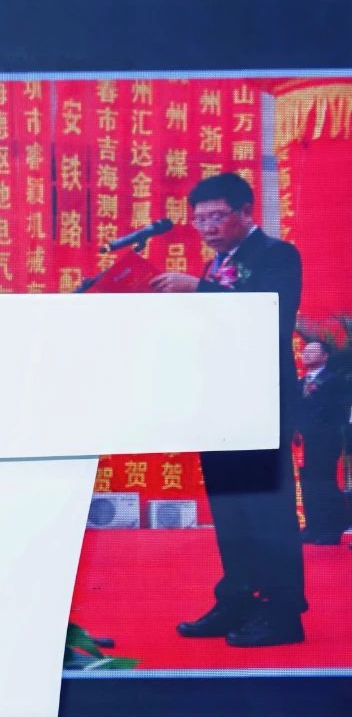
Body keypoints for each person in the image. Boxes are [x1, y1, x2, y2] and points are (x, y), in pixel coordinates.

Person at [151, 172, 306, 647]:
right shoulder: (218, 265)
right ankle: (237, 598)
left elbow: (271, 317)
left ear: (245, 212)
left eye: (217, 216)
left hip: (261, 402)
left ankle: (282, 612)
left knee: (266, 510)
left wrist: (198, 291)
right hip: (220, 403)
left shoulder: (277, 255)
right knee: (231, 510)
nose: (207, 227)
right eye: (199, 219)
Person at [296, 341, 350, 544]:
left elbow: (337, 410)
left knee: (324, 482)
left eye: (312, 351)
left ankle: (331, 529)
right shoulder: (300, 383)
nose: (306, 354)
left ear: (325, 356)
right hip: (304, 441)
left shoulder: (335, 380)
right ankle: (313, 527)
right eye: (305, 351)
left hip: (326, 439)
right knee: (308, 483)